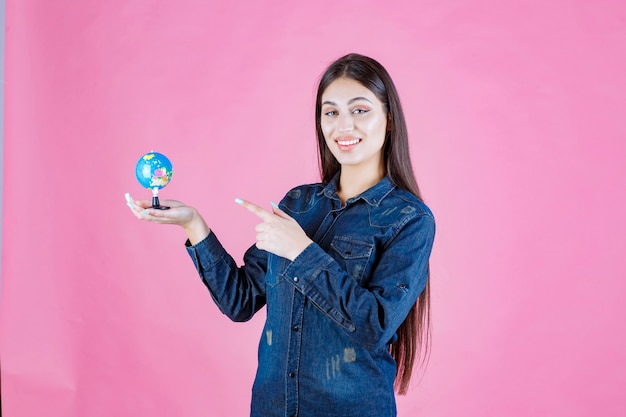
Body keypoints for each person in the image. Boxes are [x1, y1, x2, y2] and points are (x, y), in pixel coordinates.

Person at [126, 53, 435, 417]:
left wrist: (303, 252)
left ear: (389, 120)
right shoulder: (299, 204)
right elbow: (240, 301)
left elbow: (374, 326)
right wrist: (194, 225)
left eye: (360, 110)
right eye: (330, 112)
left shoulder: (410, 219)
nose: (343, 126)